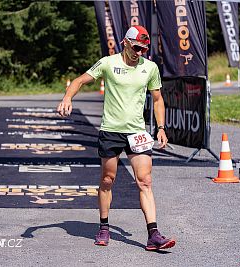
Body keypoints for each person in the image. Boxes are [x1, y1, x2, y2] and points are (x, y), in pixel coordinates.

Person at [57, 25, 175, 251]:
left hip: (137, 132)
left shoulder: (150, 68)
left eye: (144, 49)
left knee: (145, 181)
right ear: (125, 43)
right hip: (111, 130)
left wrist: (161, 127)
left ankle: (153, 234)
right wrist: (67, 98)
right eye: (137, 47)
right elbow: (80, 80)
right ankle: (103, 227)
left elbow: (158, 100)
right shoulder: (108, 63)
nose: (140, 53)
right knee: (108, 180)